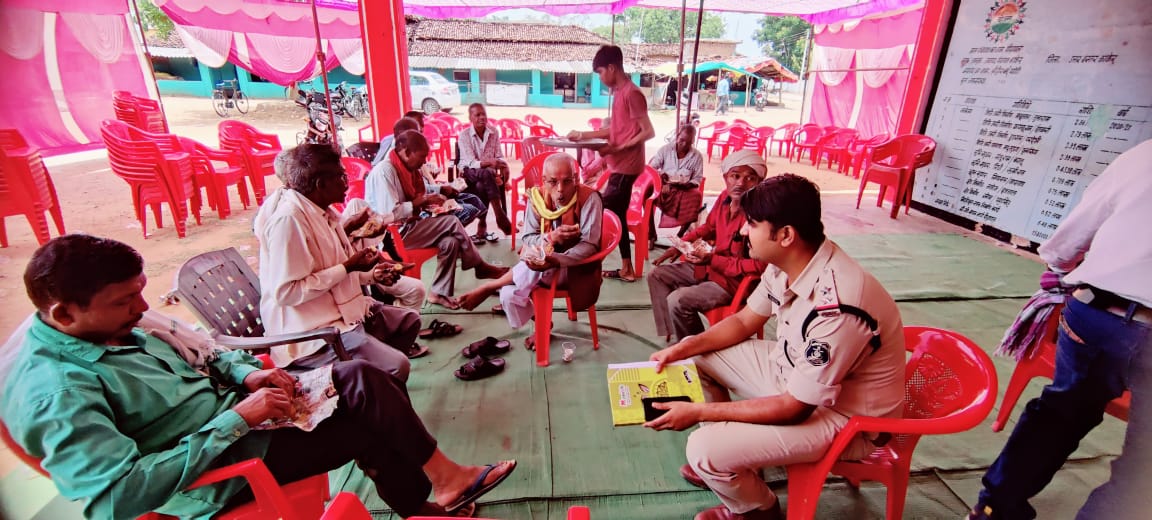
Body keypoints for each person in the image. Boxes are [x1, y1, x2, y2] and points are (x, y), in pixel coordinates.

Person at [0, 234, 517, 520]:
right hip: (212, 468)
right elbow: (115, 498)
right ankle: (430, 499)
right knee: (371, 421)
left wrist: (248, 379)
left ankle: (440, 488)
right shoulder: (56, 391)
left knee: (361, 377)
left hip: (242, 416)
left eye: (139, 292)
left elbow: (210, 352)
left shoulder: (111, 324)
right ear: (64, 314)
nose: (143, 307)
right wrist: (236, 422)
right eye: (125, 300)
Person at [645, 175, 906, 520]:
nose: (742, 233)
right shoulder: (789, 264)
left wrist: (699, 413)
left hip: (846, 419)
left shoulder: (840, 303)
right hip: (792, 377)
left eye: (751, 224)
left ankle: (758, 508)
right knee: (698, 357)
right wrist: (685, 347)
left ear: (785, 235)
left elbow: (795, 408)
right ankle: (737, 464)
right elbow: (743, 322)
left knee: (702, 449)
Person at [968, 139, 1152, 520]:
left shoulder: (1144, 154)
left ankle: (992, 511)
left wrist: (1070, 265)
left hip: (1097, 314)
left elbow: (1062, 246)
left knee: (1057, 415)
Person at [256, 145, 427, 377]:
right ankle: (375, 386)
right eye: (341, 176)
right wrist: (349, 266)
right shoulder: (289, 221)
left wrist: (371, 274)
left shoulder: (323, 212)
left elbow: (329, 267)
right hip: (312, 332)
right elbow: (287, 292)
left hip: (339, 314)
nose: (347, 182)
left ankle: (377, 387)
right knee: (397, 365)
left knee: (409, 321)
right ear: (321, 185)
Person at [457, 153, 604, 346]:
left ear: (576, 179)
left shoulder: (589, 199)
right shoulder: (537, 198)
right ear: (543, 180)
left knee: (530, 266)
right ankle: (542, 322)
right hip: (542, 264)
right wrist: (551, 237)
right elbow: (527, 237)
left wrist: (557, 259)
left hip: (576, 268)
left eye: (567, 182)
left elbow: (590, 245)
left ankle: (491, 285)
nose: (560, 190)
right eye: (553, 182)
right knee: (508, 294)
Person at [365, 130, 508, 309]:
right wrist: (421, 201)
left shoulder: (405, 169)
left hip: (410, 227)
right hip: (392, 236)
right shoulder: (385, 171)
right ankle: (479, 265)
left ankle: (438, 293)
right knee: (451, 221)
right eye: (422, 156)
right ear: (407, 152)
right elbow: (389, 213)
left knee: (450, 242)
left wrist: (438, 193)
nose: (424, 161)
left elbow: (423, 189)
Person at [649, 150, 768, 343]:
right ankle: (674, 333)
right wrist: (681, 245)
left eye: (750, 178)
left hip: (732, 284)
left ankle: (698, 347)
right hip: (709, 268)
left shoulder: (760, 216)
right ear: (725, 177)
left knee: (678, 300)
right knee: (657, 275)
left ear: (759, 183)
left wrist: (713, 259)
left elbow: (760, 267)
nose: (740, 183)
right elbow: (709, 227)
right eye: (735, 176)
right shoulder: (723, 199)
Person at [567, 45, 654, 283]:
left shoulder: (632, 94)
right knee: (615, 213)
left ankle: (585, 261)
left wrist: (621, 148)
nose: (600, 77)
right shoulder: (619, 93)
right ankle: (625, 267)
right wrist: (582, 135)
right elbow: (614, 130)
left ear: (612, 68)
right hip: (619, 165)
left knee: (598, 209)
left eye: (600, 72)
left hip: (627, 167)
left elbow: (648, 132)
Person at [371, 117, 485, 227]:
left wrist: (440, 189)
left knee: (473, 201)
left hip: (421, 205)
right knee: (459, 218)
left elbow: (419, 187)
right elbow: (390, 214)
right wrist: (423, 201)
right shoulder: (387, 168)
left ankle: (456, 236)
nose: (420, 137)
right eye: (416, 133)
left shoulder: (408, 159)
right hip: (404, 224)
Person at [458, 103, 513, 242]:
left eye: (484, 114)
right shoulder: (464, 136)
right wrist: (490, 163)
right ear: (470, 117)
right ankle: (500, 215)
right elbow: (471, 162)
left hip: (487, 176)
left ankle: (482, 224)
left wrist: (501, 164)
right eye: (477, 115)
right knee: (486, 173)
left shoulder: (494, 132)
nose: (482, 117)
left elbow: (499, 155)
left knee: (482, 185)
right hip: (468, 173)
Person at [650, 125, 705, 237]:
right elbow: (652, 168)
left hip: (684, 189)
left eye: (688, 142)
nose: (684, 144)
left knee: (696, 197)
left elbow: (698, 178)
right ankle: (651, 233)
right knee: (647, 194)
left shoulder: (697, 156)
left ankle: (680, 235)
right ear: (677, 136)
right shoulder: (665, 150)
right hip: (664, 185)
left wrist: (686, 185)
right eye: (682, 140)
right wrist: (662, 180)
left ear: (693, 141)